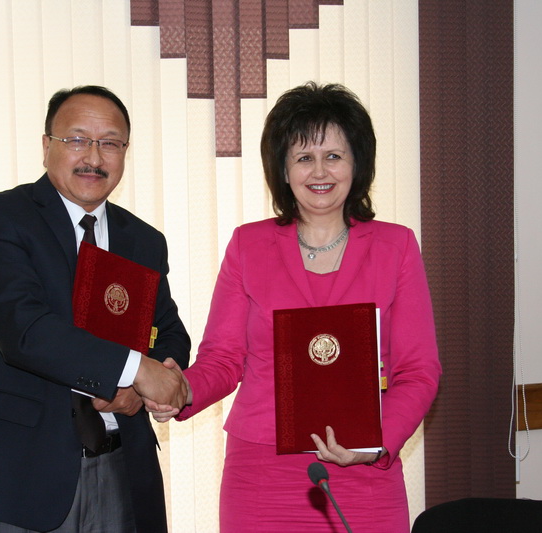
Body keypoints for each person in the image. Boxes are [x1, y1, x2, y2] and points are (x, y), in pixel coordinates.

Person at [151, 82, 441, 532]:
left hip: (362, 470)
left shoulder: (396, 246)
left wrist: (376, 443)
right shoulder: (248, 246)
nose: (319, 171)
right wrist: (181, 389)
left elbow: (419, 371)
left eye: (334, 155)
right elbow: (224, 358)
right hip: (261, 474)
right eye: (303, 157)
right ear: (283, 170)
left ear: (357, 163)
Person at [0, 85, 191, 533]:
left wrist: (139, 390)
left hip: (124, 467)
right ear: (46, 146)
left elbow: (168, 332)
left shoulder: (143, 240)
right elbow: (26, 332)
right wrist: (135, 369)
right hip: (20, 473)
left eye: (110, 143)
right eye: (77, 139)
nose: (93, 157)